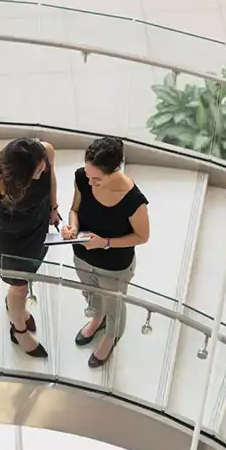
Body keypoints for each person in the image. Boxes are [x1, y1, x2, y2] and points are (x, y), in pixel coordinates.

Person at [61, 137, 149, 368]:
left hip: (114, 264)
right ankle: (97, 319)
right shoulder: (82, 177)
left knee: (114, 305)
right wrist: (73, 226)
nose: (90, 182)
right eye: (88, 176)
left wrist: (105, 243)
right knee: (90, 293)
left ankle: (111, 335)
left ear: (114, 171)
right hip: (82, 255)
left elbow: (142, 236)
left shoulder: (133, 200)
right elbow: (74, 209)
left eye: (96, 179)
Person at [0, 137, 59, 359]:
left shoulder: (46, 151)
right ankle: (18, 330)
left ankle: (15, 305)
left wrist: (53, 207)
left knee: (24, 278)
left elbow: (51, 179)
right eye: (36, 171)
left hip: (38, 224)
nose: (41, 173)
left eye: (42, 167)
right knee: (20, 286)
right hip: (11, 235)